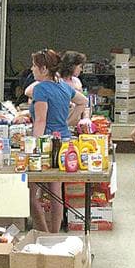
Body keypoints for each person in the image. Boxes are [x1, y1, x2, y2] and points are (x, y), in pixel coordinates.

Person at [28, 49, 88, 232]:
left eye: (34, 66)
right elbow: (83, 101)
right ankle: (54, 236)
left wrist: (33, 149)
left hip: (46, 145)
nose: (31, 69)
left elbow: (40, 120)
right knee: (56, 194)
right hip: (63, 143)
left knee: (30, 194)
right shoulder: (63, 86)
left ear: (44, 69)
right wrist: (69, 121)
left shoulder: (40, 89)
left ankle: (43, 232)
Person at [58, 50, 87, 127]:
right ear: (72, 66)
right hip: (59, 123)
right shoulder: (56, 81)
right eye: (80, 67)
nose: (81, 70)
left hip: (75, 123)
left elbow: (83, 103)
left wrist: (85, 119)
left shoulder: (77, 81)